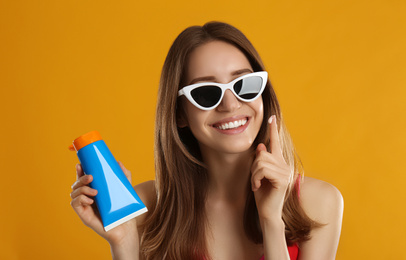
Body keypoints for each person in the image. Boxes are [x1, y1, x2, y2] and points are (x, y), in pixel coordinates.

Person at [70, 21, 344, 260]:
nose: (230, 104)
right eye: (205, 93)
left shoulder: (319, 203)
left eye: (244, 85)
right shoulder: (145, 207)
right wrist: (124, 243)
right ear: (180, 114)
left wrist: (271, 220)